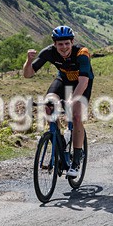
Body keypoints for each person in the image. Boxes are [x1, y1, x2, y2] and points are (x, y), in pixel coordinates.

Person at [24, 25, 93, 178]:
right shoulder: (48, 52)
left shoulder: (82, 53)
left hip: (82, 83)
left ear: (72, 42)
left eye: (67, 43)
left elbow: (83, 82)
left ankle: (76, 159)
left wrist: (72, 100)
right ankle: (59, 139)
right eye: (60, 44)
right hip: (63, 80)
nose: (64, 47)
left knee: (76, 115)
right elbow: (28, 74)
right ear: (54, 44)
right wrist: (29, 61)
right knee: (48, 105)